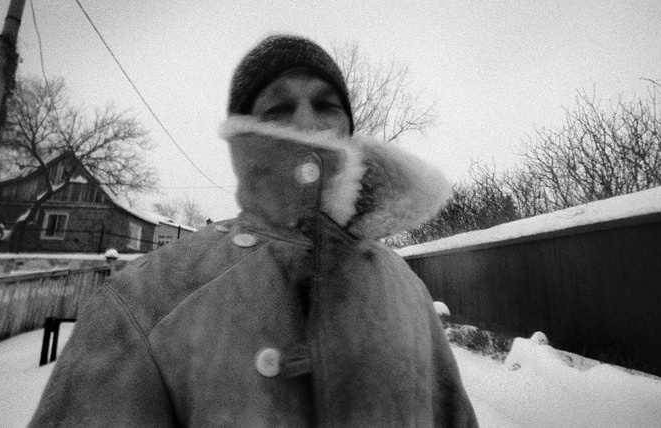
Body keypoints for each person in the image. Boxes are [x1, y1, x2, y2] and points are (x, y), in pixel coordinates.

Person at [29, 35, 478, 427]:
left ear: (349, 130)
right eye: (279, 107)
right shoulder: (147, 299)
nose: (306, 122)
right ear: (242, 132)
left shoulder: (404, 289)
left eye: (325, 104)